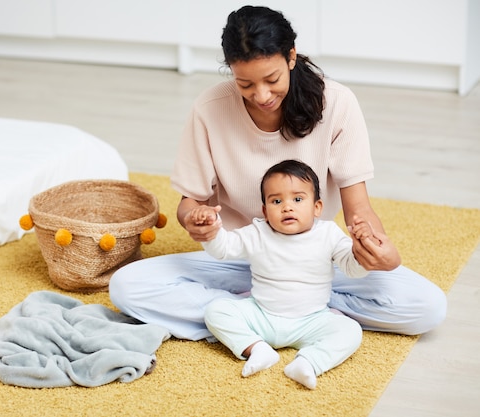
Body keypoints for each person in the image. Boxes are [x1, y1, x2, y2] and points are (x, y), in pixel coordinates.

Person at [109, 5, 446, 341]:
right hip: (244, 256)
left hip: (318, 260)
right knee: (127, 286)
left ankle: (271, 313)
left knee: (428, 306)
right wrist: (196, 220)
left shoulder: (338, 103)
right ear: (231, 72)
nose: (261, 95)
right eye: (245, 84)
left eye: (272, 80)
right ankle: (281, 314)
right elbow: (189, 202)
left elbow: (359, 210)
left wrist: (375, 247)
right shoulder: (210, 109)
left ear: (291, 57)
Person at [193, 159, 370, 389]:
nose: (287, 207)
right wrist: (212, 227)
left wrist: (361, 249)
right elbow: (224, 248)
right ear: (266, 211)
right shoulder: (259, 232)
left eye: (298, 199)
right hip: (261, 315)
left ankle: (308, 362)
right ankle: (257, 348)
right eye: (277, 201)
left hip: (312, 320)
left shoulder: (328, 234)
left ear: (317, 207)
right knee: (217, 311)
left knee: (350, 331)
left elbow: (352, 268)